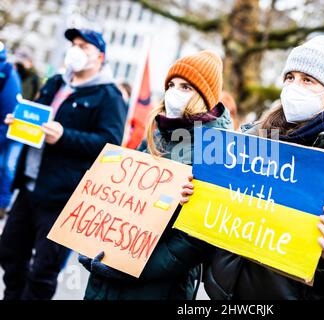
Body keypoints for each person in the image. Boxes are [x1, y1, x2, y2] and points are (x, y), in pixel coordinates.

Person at [181, 35, 324, 300]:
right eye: (290, 77)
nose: (294, 86)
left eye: (307, 80)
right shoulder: (251, 139)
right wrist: (197, 195)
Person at [78, 50, 233, 300]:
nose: (173, 92)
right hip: (112, 270)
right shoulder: (157, 131)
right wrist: (94, 239)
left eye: (185, 87)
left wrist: (132, 266)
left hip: (157, 286)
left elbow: (192, 241)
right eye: (171, 84)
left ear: (205, 98)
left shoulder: (216, 150)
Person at [0, 28, 127, 300]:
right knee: (9, 253)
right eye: (73, 44)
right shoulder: (56, 82)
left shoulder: (108, 96)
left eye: (84, 46)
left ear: (100, 56)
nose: (76, 50)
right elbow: (37, 116)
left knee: (43, 271)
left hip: (64, 197)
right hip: (30, 185)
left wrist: (65, 136)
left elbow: (109, 144)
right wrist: (19, 120)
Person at [0, 41, 22, 220]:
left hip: (11, 130)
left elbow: (9, 112)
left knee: (7, 166)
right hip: (4, 128)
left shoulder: (7, 73)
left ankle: (2, 204)